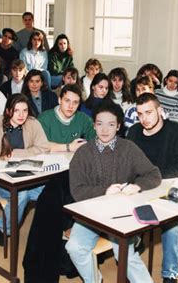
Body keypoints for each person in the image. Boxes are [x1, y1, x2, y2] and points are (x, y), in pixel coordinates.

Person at [66, 101, 161, 283]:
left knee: (124, 253)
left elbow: (154, 173)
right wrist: (105, 191)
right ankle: (95, 280)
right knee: (75, 247)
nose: (104, 130)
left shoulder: (128, 148)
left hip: (122, 214)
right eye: (99, 123)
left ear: (118, 126)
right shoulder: (83, 153)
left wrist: (138, 185)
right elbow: (77, 191)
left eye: (111, 124)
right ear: (93, 125)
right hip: (91, 214)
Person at [23, 84, 96, 282]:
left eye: (75, 102)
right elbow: (38, 146)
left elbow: (96, 142)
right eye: (67, 101)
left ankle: (66, 253)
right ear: (59, 100)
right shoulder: (45, 118)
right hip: (45, 174)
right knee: (51, 205)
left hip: (69, 174)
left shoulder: (83, 119)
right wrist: (67, 147)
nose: (71, 106)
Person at [127, 93, 178, 283]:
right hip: (140, 188)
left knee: (174, 224)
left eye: (148, 112)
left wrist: (151, 176)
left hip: (167, 186)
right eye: (140, 114)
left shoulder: (176, 131)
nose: (144, 118)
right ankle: (132, 259)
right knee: (122, 220)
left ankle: (169, 275)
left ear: (160, 111)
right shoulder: (134, 132)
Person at [0, 93, 50, 245]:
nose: (22, 115)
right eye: (17, 111)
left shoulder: (32, 123)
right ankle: (3, 228)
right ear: (9, 111)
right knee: (21, 195)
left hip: (26, 174)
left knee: (51, 190)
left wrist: (18, 154)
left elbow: (44, 147)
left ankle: (47, 235)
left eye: (25, 110)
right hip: (0, 175)